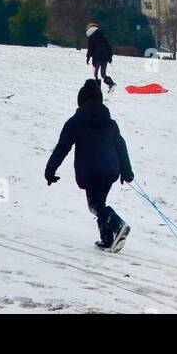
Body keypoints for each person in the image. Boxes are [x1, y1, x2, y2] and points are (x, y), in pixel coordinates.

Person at [44, 79, 135, 252]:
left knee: (95, 206)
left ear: (81, 101)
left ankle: (118, 224)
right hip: (110, 170)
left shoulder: (75, 121)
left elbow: (62, 147)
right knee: (100, 202)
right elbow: (121, 146)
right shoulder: (110, 123)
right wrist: (126, 170)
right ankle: (107, 240)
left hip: (91, 170)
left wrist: (50, 170)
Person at [86, 23, 116, 91]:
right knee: (103, 74)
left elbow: (90, 49)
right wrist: (110, 57)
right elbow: (108, 47)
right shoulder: (102, 36)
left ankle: (97, 89)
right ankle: (111, 83)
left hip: (97, 58)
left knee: (95, 74)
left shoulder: (91, 37)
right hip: (105, 58)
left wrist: (88, 58)